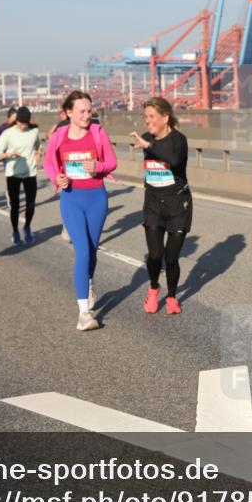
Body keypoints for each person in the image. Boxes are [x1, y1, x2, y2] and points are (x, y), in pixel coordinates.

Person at [43, 91, 117, 331]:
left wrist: (98, 166)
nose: (88, 115)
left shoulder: (98, 131)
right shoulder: (59, 136)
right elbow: (48, 163)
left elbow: (112, 162)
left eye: (89, 110)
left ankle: (88, 283)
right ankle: (84, 313)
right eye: (82, 111)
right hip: (71, 198)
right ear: (69, 113)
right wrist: (58, 179)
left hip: (96, 197)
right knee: (82, 250)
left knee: (92, 251)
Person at [129, 97, 191, 315]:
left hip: (178, 205)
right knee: (155, 255)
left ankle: (172, 296)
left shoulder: (179, 140)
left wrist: (149, 146)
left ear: (165, 118)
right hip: (154, 204)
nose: (147, 121)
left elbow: (173, 160)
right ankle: (154, 287)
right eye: (145, 117)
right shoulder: (146, 138)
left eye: (152, 116)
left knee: (171, 258)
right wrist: (147, 144)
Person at [0, 106, 42, 245]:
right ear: (16, 121)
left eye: (25, 123)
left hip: (30, 172)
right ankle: (15, 231)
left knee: (30, 205)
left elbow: (38, 145)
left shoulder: (34, 131)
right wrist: (9, 154)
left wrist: (38, 154)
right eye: (20, 123)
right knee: (15, 206)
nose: (22, 126)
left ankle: (27, 227)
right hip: (13, 173)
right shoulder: (8, 133)